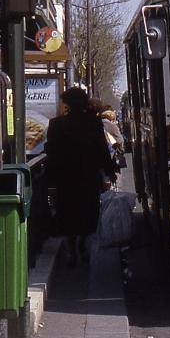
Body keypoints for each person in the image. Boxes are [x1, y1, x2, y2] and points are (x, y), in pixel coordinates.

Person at [45, 87, 118, 265]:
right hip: (88, 176)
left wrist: (51, 175)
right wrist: (110, 170)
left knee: (67, 212)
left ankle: (71, 247)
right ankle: (82, 244)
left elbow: (51, 151)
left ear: (67, 103)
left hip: (66, 177)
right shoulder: (92, 123)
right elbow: (101, 149)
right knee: (88, 211)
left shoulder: (56, 124)